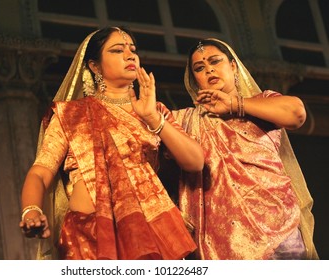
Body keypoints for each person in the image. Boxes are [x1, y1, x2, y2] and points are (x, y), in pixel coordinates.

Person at [18, 26, 204, 260]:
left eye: (133, 50)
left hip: (151, 230)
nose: (130, 55)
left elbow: (195, 162)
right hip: (89, 236)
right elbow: (41, 171)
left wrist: (152, 118)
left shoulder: (155, 111)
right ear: (94, 66)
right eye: (117, 50)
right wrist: (31, 209)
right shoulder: (71, 114)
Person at [171, 38, 319, 260]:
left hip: (276, 228)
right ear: (195, 80)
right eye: (200, 68)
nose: (209, 69)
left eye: (215, 61)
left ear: (233, 66)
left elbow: (296, 113)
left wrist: (234, 104)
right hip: (221, 238)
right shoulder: (185, 120)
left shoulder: (262, 102)